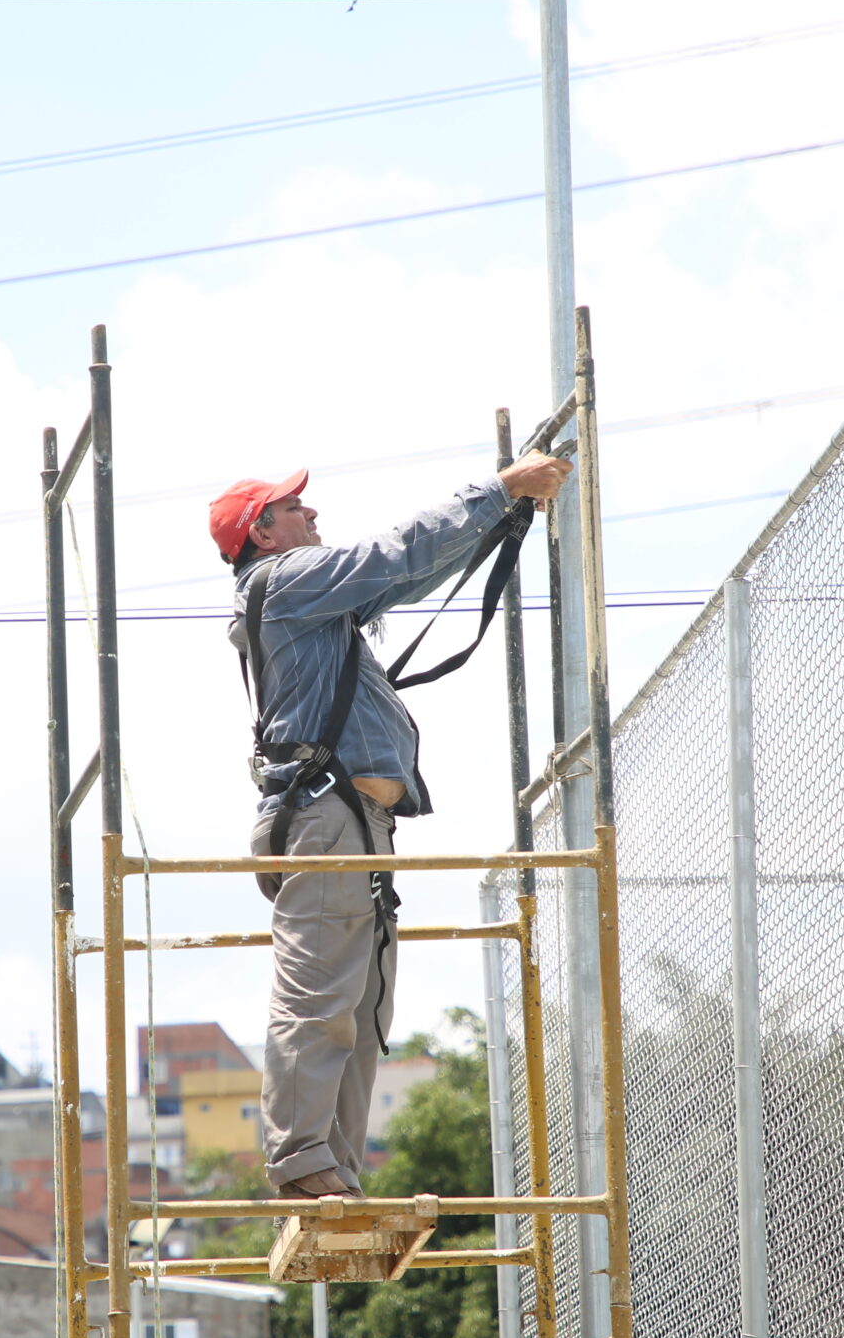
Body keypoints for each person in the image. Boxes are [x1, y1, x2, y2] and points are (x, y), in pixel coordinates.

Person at [212, 452, 573, 1198]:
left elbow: (405, 575)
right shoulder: (284, 582)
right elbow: (393, 553)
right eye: (293, 508)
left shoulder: (308, 597)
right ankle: (303, 1163)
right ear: (263, 534)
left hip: (353, 822)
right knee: (320, 999)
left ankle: (330, 1171)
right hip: (327, 820)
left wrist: (496, 522)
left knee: (363, 1007)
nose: (312, 514)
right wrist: (497, 490)